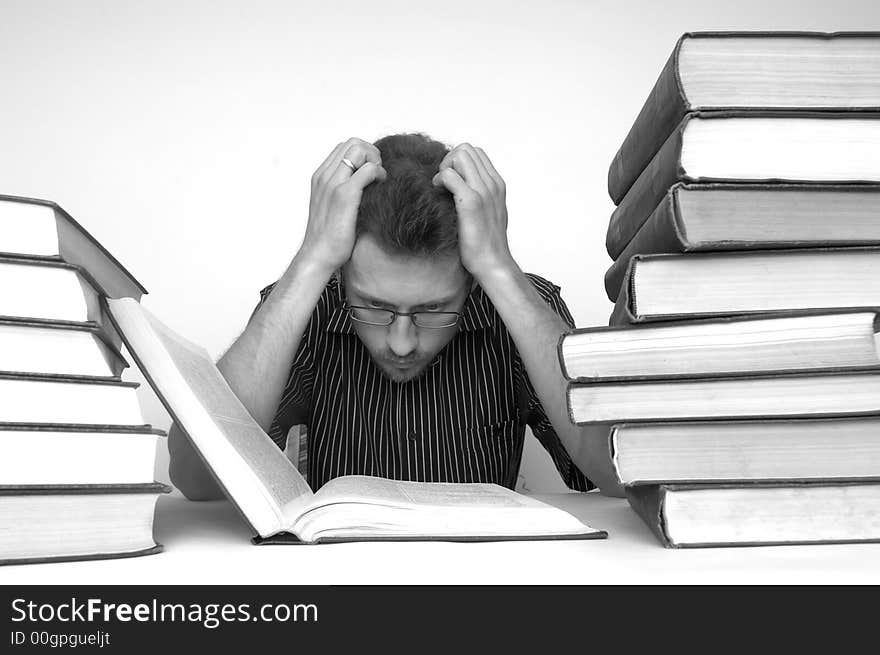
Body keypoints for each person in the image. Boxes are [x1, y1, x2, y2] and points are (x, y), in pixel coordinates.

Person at [168, 133, 622, 499]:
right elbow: (196, 479)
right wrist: (311, 261)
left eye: (433, 311)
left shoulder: (515, 304)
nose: (402, 344)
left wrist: (500, 268)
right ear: (343, 277)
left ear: (469, 283)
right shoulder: (309, 302)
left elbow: (619, 473)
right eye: (375, 307)